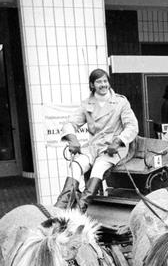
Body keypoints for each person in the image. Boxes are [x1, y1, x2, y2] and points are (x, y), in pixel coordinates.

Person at [54, 68, 138, 211]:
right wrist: (73, 139)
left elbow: (132, 126)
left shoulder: (120, 102)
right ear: (92, 85)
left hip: (112, 149)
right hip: (92, 147)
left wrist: (117, 141)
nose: (103, 85)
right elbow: (70, 123)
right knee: (75, 165)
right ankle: (60, 207)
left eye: (105, 81)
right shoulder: (87, 103)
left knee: (98, 168)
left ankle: (81, 208)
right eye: (99, 82)